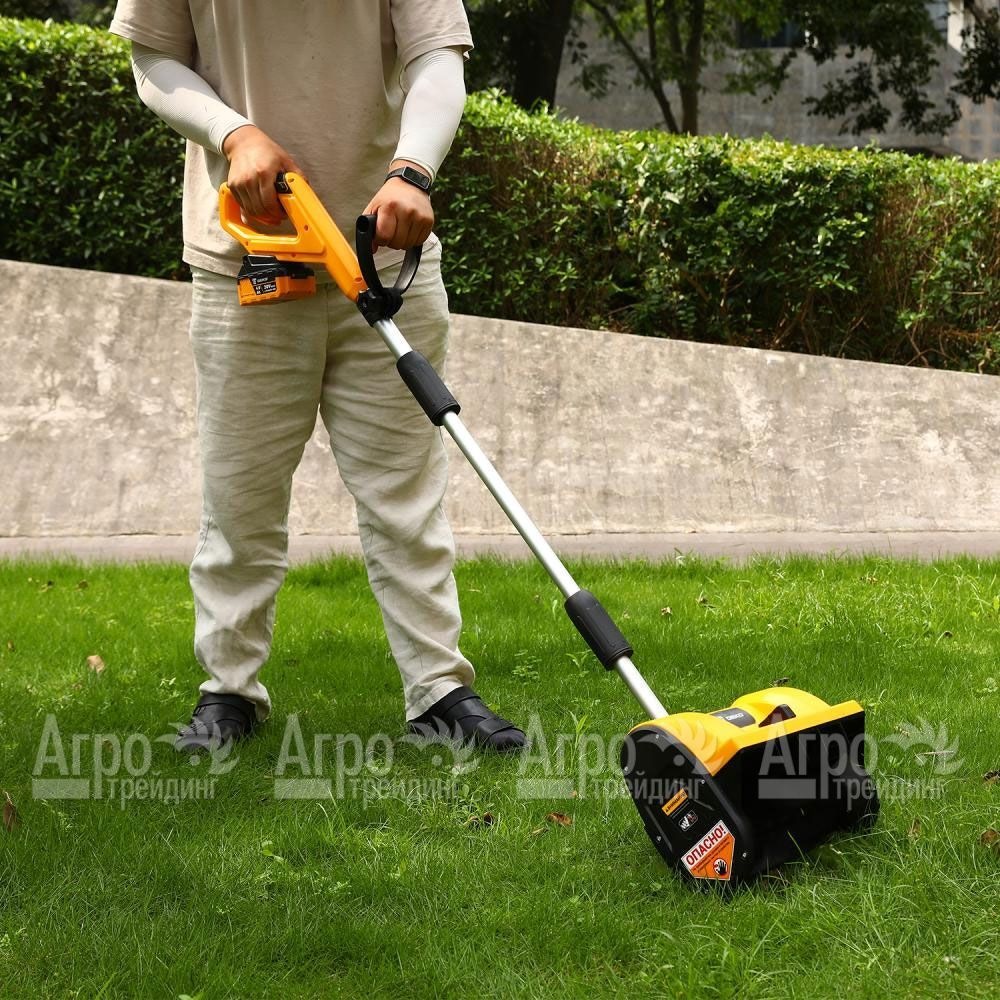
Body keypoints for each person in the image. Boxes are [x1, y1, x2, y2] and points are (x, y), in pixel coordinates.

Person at [109, 1, 526, 754]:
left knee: (406, 497)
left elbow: (438, 57)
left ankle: (439, 691)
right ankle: (229, 690)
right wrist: (233, 133)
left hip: (383, 257)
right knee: (239, 498)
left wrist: (412, 171)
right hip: (246, 261)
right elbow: (153, 58)